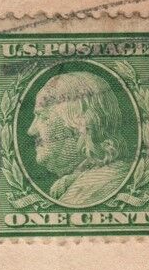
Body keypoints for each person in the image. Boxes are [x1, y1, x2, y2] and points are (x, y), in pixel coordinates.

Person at [28, 69, 134, 208]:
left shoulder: (99, 185)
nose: (31, 130)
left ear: (80, 123)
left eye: (42, 116)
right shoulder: (78, 183)